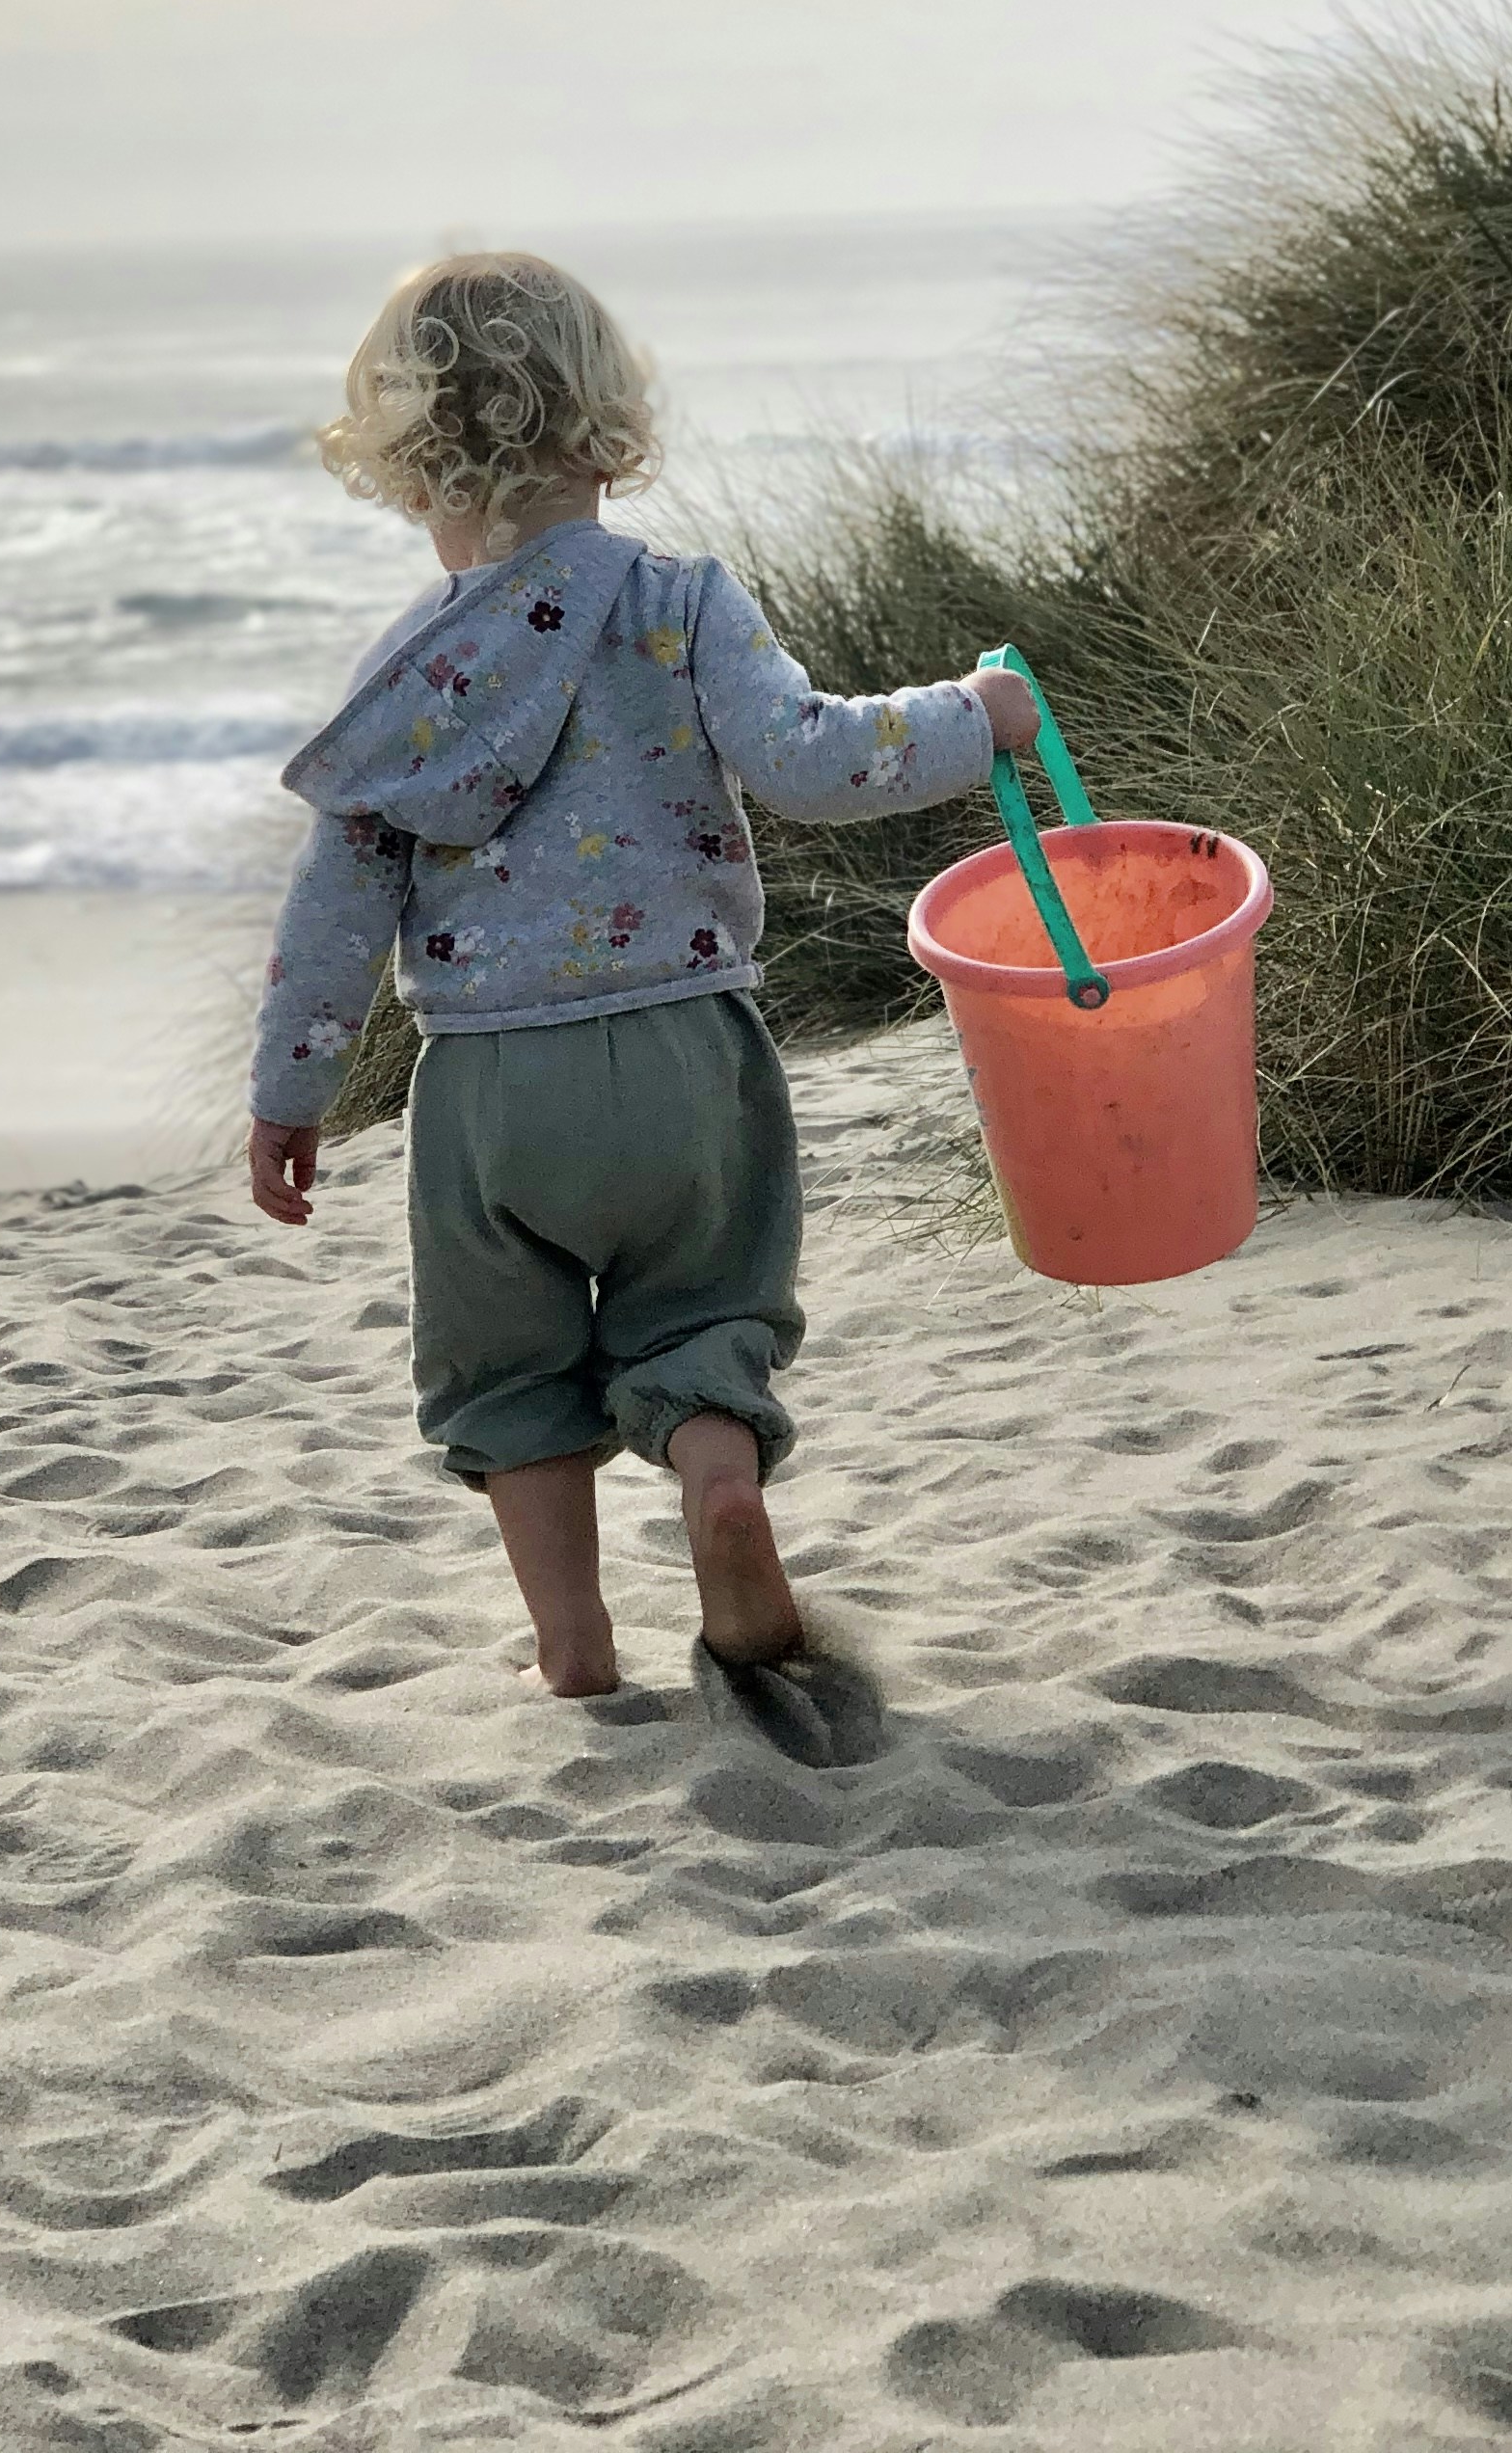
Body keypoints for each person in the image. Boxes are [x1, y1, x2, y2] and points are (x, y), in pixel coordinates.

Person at [244, 252, 1036, 1696]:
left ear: (418, 464)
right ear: (603, 424)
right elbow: (808, 758)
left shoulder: (406, 679)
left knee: (510, 1374)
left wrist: (290, 1088)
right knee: (705, 1315)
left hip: (490, 1090)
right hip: (684, 1056)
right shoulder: (678, 601)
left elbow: (336, 899)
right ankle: (719, 1490)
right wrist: (973, 717)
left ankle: (575, 1646)